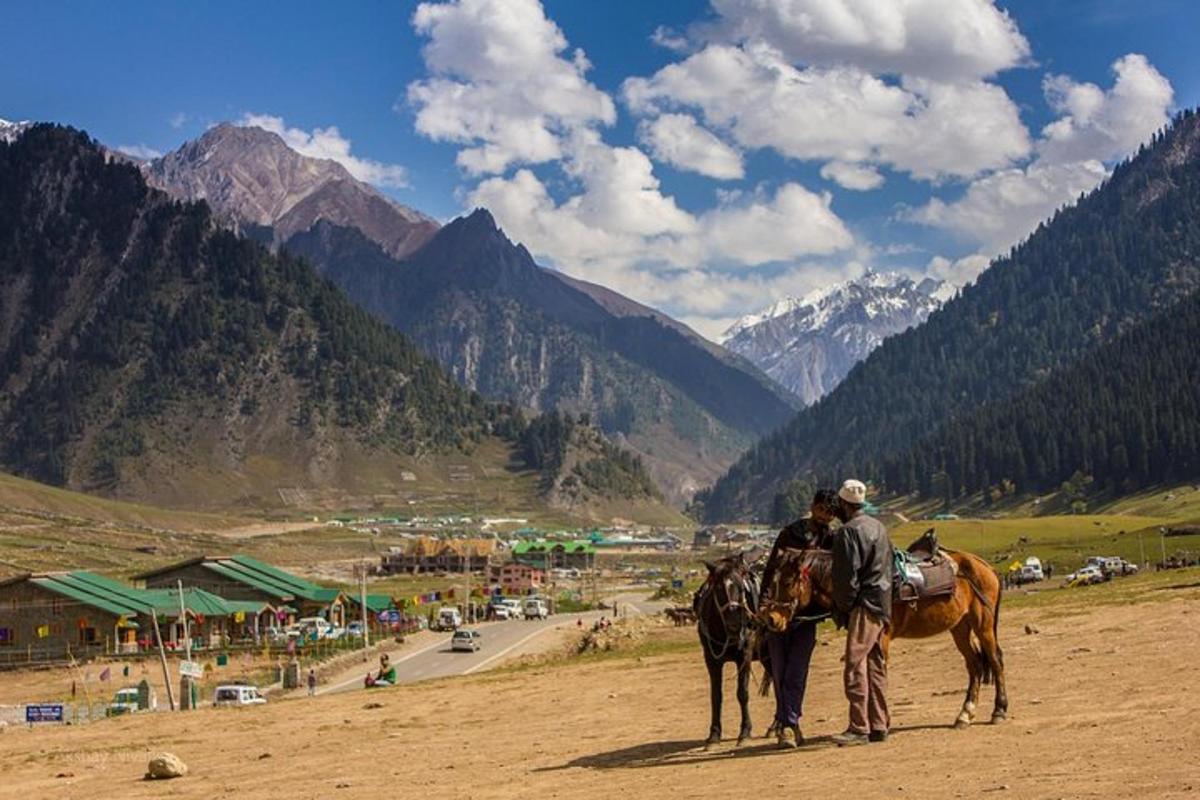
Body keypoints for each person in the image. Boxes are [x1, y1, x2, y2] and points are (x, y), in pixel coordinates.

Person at [762, 489, 839, 749]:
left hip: (807, 615)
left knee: (796, 672)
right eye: (822, 510)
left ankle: (788, 722)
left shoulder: (832, 539)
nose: (825, 516)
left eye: (830, 513)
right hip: (779, 611)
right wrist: (763, 604)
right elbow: (771, 569)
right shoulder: (790, 532)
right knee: (780, 670)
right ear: (813, 506)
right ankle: (787, 722)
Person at [830, 479, 894, 746]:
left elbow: (847, 577)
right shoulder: (879, 527)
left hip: (863, 604)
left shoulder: (847, 532)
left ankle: (859, 727)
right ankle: (879, 724)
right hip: (883, 603)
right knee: (875, 662)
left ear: (844, 504)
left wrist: (842, 607)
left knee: (855, 663)